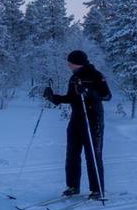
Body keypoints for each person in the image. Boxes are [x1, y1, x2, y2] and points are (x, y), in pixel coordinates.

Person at [44, 50, 112, 200]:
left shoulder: (96, 75)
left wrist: (88, 92)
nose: (68, 65)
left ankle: (97, 189)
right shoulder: (74, 77)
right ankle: (73, 186)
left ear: (78, 62)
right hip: (76, 119)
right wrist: (54, 98)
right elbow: (71, 98)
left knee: (92, 155)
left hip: (93, 120)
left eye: (71, 63)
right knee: (72, 154)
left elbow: (107, 95)